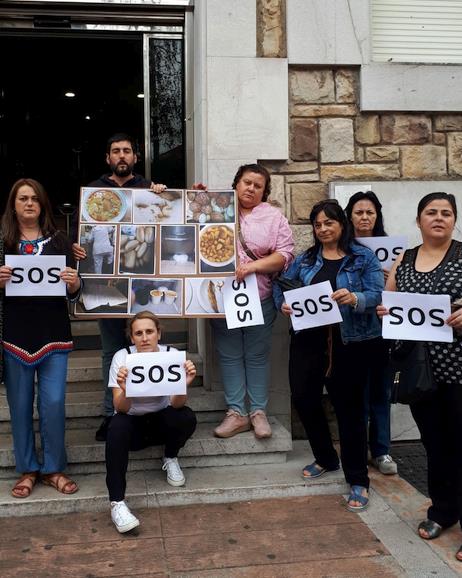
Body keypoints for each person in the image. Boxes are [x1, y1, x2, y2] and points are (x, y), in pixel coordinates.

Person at [274, 199, 384, 512]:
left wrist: (355, 297)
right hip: (308, 340)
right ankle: (325, 457)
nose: (323, 229)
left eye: (329, 223)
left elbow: (377, 293)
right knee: (304, 398)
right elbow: (283, 287)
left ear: (342, 224)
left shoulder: (362, 257)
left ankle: (358, 479)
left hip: (349, 342)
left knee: (349, 410)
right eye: (318, 224)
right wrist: (284, 304)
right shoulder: (306, 259)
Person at [377, 192, 462, 562]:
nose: (438, 218)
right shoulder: (405, 259)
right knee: (434, 444)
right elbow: (391, 300)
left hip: (459, 368)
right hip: (421, 371)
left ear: (454, 220)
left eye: (446, 213)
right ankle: (442, 512)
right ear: (418, 220)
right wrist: (385, 309)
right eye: (431, 212)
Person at [73, 133, 164, 441]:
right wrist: (78, 250)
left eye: (127, 151)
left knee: (147, 347)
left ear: (135, 158)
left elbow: (166, 222)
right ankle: (110, 414)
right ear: (108, 158)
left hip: (141, 281)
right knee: (112, 351)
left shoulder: (147, 188)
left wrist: (167, 196)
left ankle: (153, 412)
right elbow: (81, 236)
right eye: (116, 151)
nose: (122, 156)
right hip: (106, 282)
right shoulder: (95, 192)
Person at [0, 178, 81, 498]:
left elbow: (75, 291)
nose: (29, 204)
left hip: (54, 335)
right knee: (19, 407)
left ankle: (53, 468)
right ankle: (28, 469)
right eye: (22, 199)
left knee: (54, 403)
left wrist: (74, 284)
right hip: (15, 337)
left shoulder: (60, 241)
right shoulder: (2, 241)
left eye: (34, 198)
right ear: (13, 204)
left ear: (42, 203)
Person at [204, 163, 294, 439]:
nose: (251, 188)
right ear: (236, 184)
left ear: (264, 192)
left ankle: (258, 412)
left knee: (256, 356)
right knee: (229, 355)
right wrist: (196, 199)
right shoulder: (216, 208)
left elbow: (286, 253)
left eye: (258, 185)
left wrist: (254, 267)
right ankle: (236, 413)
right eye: (246, 182)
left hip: (260, 296)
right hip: (221, 297)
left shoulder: (273, 217)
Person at [106, 311, 197, 533]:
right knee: (116, 426)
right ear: (132, 338)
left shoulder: (172, 354)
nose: (145, 338)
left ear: (158, 333)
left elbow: (176, 404)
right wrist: (126, 390)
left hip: (161, 420)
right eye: (139, 333)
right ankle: (117, 503)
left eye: (149, 331)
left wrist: (183, 385)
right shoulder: (122, 357)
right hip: (132, 423)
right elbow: (120, 408)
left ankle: (171, 456)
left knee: (185, 416)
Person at [345, 191, 398, 476]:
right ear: (349, 216)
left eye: (370, 212)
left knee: (381, 392)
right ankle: (358, 448)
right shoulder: (342, 249)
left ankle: (381, 450)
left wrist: (394, 277)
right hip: (353, 332)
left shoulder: (396, 251)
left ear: (377, 216)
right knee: (358, 395)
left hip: (383, 330)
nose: (364, 217)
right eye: (358, 212)